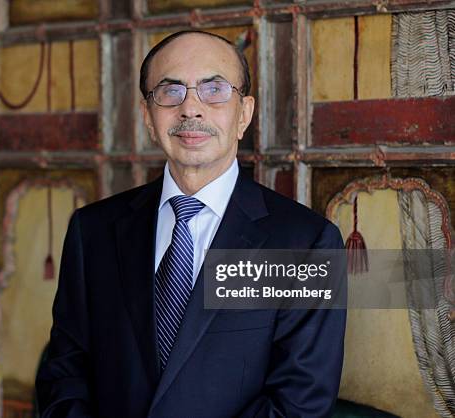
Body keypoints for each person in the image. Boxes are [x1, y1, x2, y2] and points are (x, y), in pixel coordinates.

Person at [36, 30, 346, 418]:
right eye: (171, 92)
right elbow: (65, 370)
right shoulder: (92, 230)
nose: (191, 109)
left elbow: (300, 400)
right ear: (148, 117)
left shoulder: (306, 243)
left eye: (214, 89)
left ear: (244, 114)